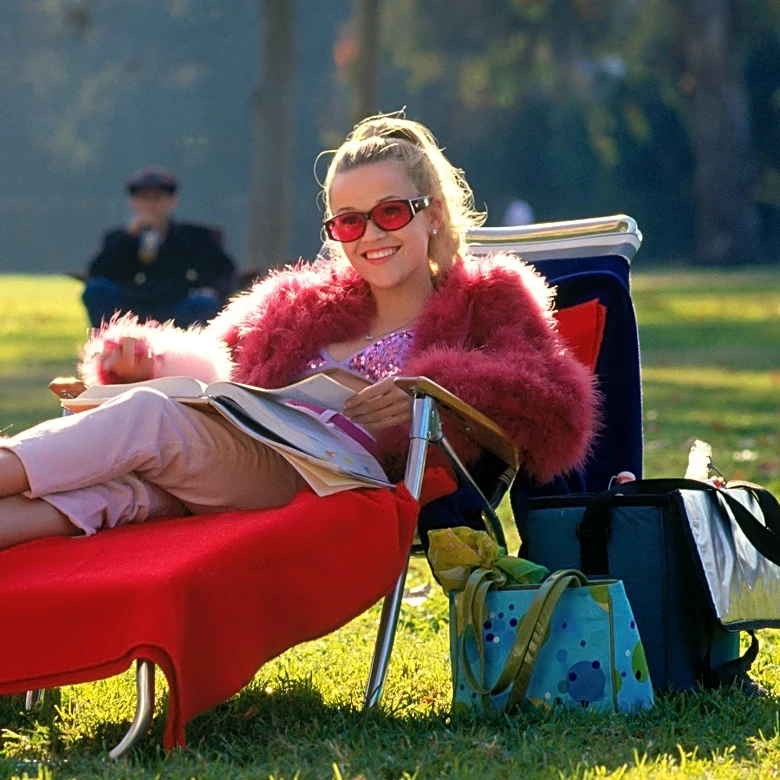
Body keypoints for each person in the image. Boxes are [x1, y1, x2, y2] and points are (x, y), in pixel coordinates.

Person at [0, 114, 598, 551]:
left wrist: (433, 390)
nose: (370, 236)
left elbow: (555, 402)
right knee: (103, 497)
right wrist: (146, 364)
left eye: (391, 212)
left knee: (147, 420)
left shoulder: (485, 299)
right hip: (237, 457)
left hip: (329, 479)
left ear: (432, 212)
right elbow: (218, 365)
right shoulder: (299, 303)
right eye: (349, 221)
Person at [82, 166, 236, 328]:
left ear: (172, 201)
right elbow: (98, 272)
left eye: (157, 198)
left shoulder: (196, 236)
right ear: (132, 202)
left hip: (175, 302)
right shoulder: (117, 237)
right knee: (96, 290)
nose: (150, 205)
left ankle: (187, 350)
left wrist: (210, 290)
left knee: (205, 302)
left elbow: (224, 271)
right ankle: (111, 347)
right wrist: (128, 238)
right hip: (129, 303)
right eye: (143, 198)